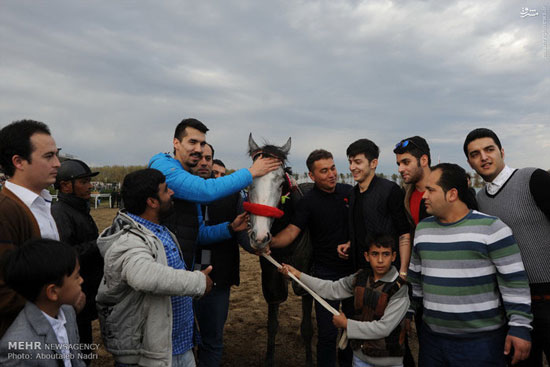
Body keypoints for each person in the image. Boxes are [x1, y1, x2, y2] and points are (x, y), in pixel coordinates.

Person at [409, 163, 532, 366]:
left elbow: (514, 283)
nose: (424, 196)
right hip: (433, 343)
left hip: (481, 344)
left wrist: (520, 327)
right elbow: (415, 279)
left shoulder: (493, 228)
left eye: (431, 190)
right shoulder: (423, 229)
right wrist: (410, 311)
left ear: (452, 194)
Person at [96, 169, 213, 367]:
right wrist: (198, 281)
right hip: (149, 356)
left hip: (177, 347)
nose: (172, 193)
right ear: (152, 202)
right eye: (166, 190)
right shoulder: (129, 240)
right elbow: (143, 276)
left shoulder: (158, 229)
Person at [464, 128, 550, 366]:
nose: (484, 157)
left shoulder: (534, 178)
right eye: (475, 154)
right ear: (470, 162)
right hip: (514, 305)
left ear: (502, 151)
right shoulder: (479, 202)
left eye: (489, 149)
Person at [148, 118, 278, 268]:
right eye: (192, 142)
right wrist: (251, 172)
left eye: (202, 144)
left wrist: (231, 228)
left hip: (181, 274)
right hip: (162, 273)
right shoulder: (164, 169)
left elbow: (198, 234)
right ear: (176, 143)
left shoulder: (188, 177)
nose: (198, 149)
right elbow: (206, 191)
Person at [271, 149, 354, 367]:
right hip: (325, 274)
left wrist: (352, 244)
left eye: (333, 168)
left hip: (355, 273)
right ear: (312, 176)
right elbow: (291, 231)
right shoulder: (307, 202)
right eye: (324, 171)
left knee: (353, 331)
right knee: (327, 335)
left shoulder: (350, 193)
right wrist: (268, 243)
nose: (331, 174)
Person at [280, 234, 410, 367]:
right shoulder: (360, 278)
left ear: (394, 256)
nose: (380, 260)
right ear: (367, 256)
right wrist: (298, 274)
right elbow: (331, 289)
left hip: (389, 363)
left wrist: (346, 324)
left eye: (386, 254)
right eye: (375, 254)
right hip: (360, 359)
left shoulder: (399, 288)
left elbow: (384, 328)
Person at [191, 144, 254, 367]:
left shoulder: (232, 197)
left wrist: (259, 246)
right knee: (183, 340)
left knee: (212, 341)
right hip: (182, 277)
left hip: (218, 278)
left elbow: (242, 235)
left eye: (209, 158)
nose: (205, 163)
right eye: (200, 158)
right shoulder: (179, 194)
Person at [0, 119, 61, 337]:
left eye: (56, 154)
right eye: (48, 156)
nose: (58, 163)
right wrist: (58, 296)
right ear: (19, 161)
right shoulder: (5, 212)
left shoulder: (42, 203)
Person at [0, 238, 86, 366]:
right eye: (76, 276)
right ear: (52, 292)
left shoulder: (67, 311)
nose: (81, 280)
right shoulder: (19, 348)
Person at [51, 159, 103, 365]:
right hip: (72, 297)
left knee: (85, 348)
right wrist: (99, 244)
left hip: (86, 293)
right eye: (83, 181)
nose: (89, 185)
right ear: (66, 185)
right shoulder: (60, 212)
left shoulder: (79, 209)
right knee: (79, 352)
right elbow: (66, 253)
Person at [338, 139, 410, 277]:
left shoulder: (390, 190)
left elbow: (404, 233)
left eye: (358, 162)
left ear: (373, 163)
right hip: (359, 272)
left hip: (388, 273)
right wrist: (350, 243)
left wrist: (403, 271)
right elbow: (361, 228)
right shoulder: (352, 194)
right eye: (350, 162)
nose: (352, 167)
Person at [393, 136, 432, 226]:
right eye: (399, 164)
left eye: (406, 162)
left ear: (423, 160)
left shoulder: (445, 192)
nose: (400, 169)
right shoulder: (404, 195)